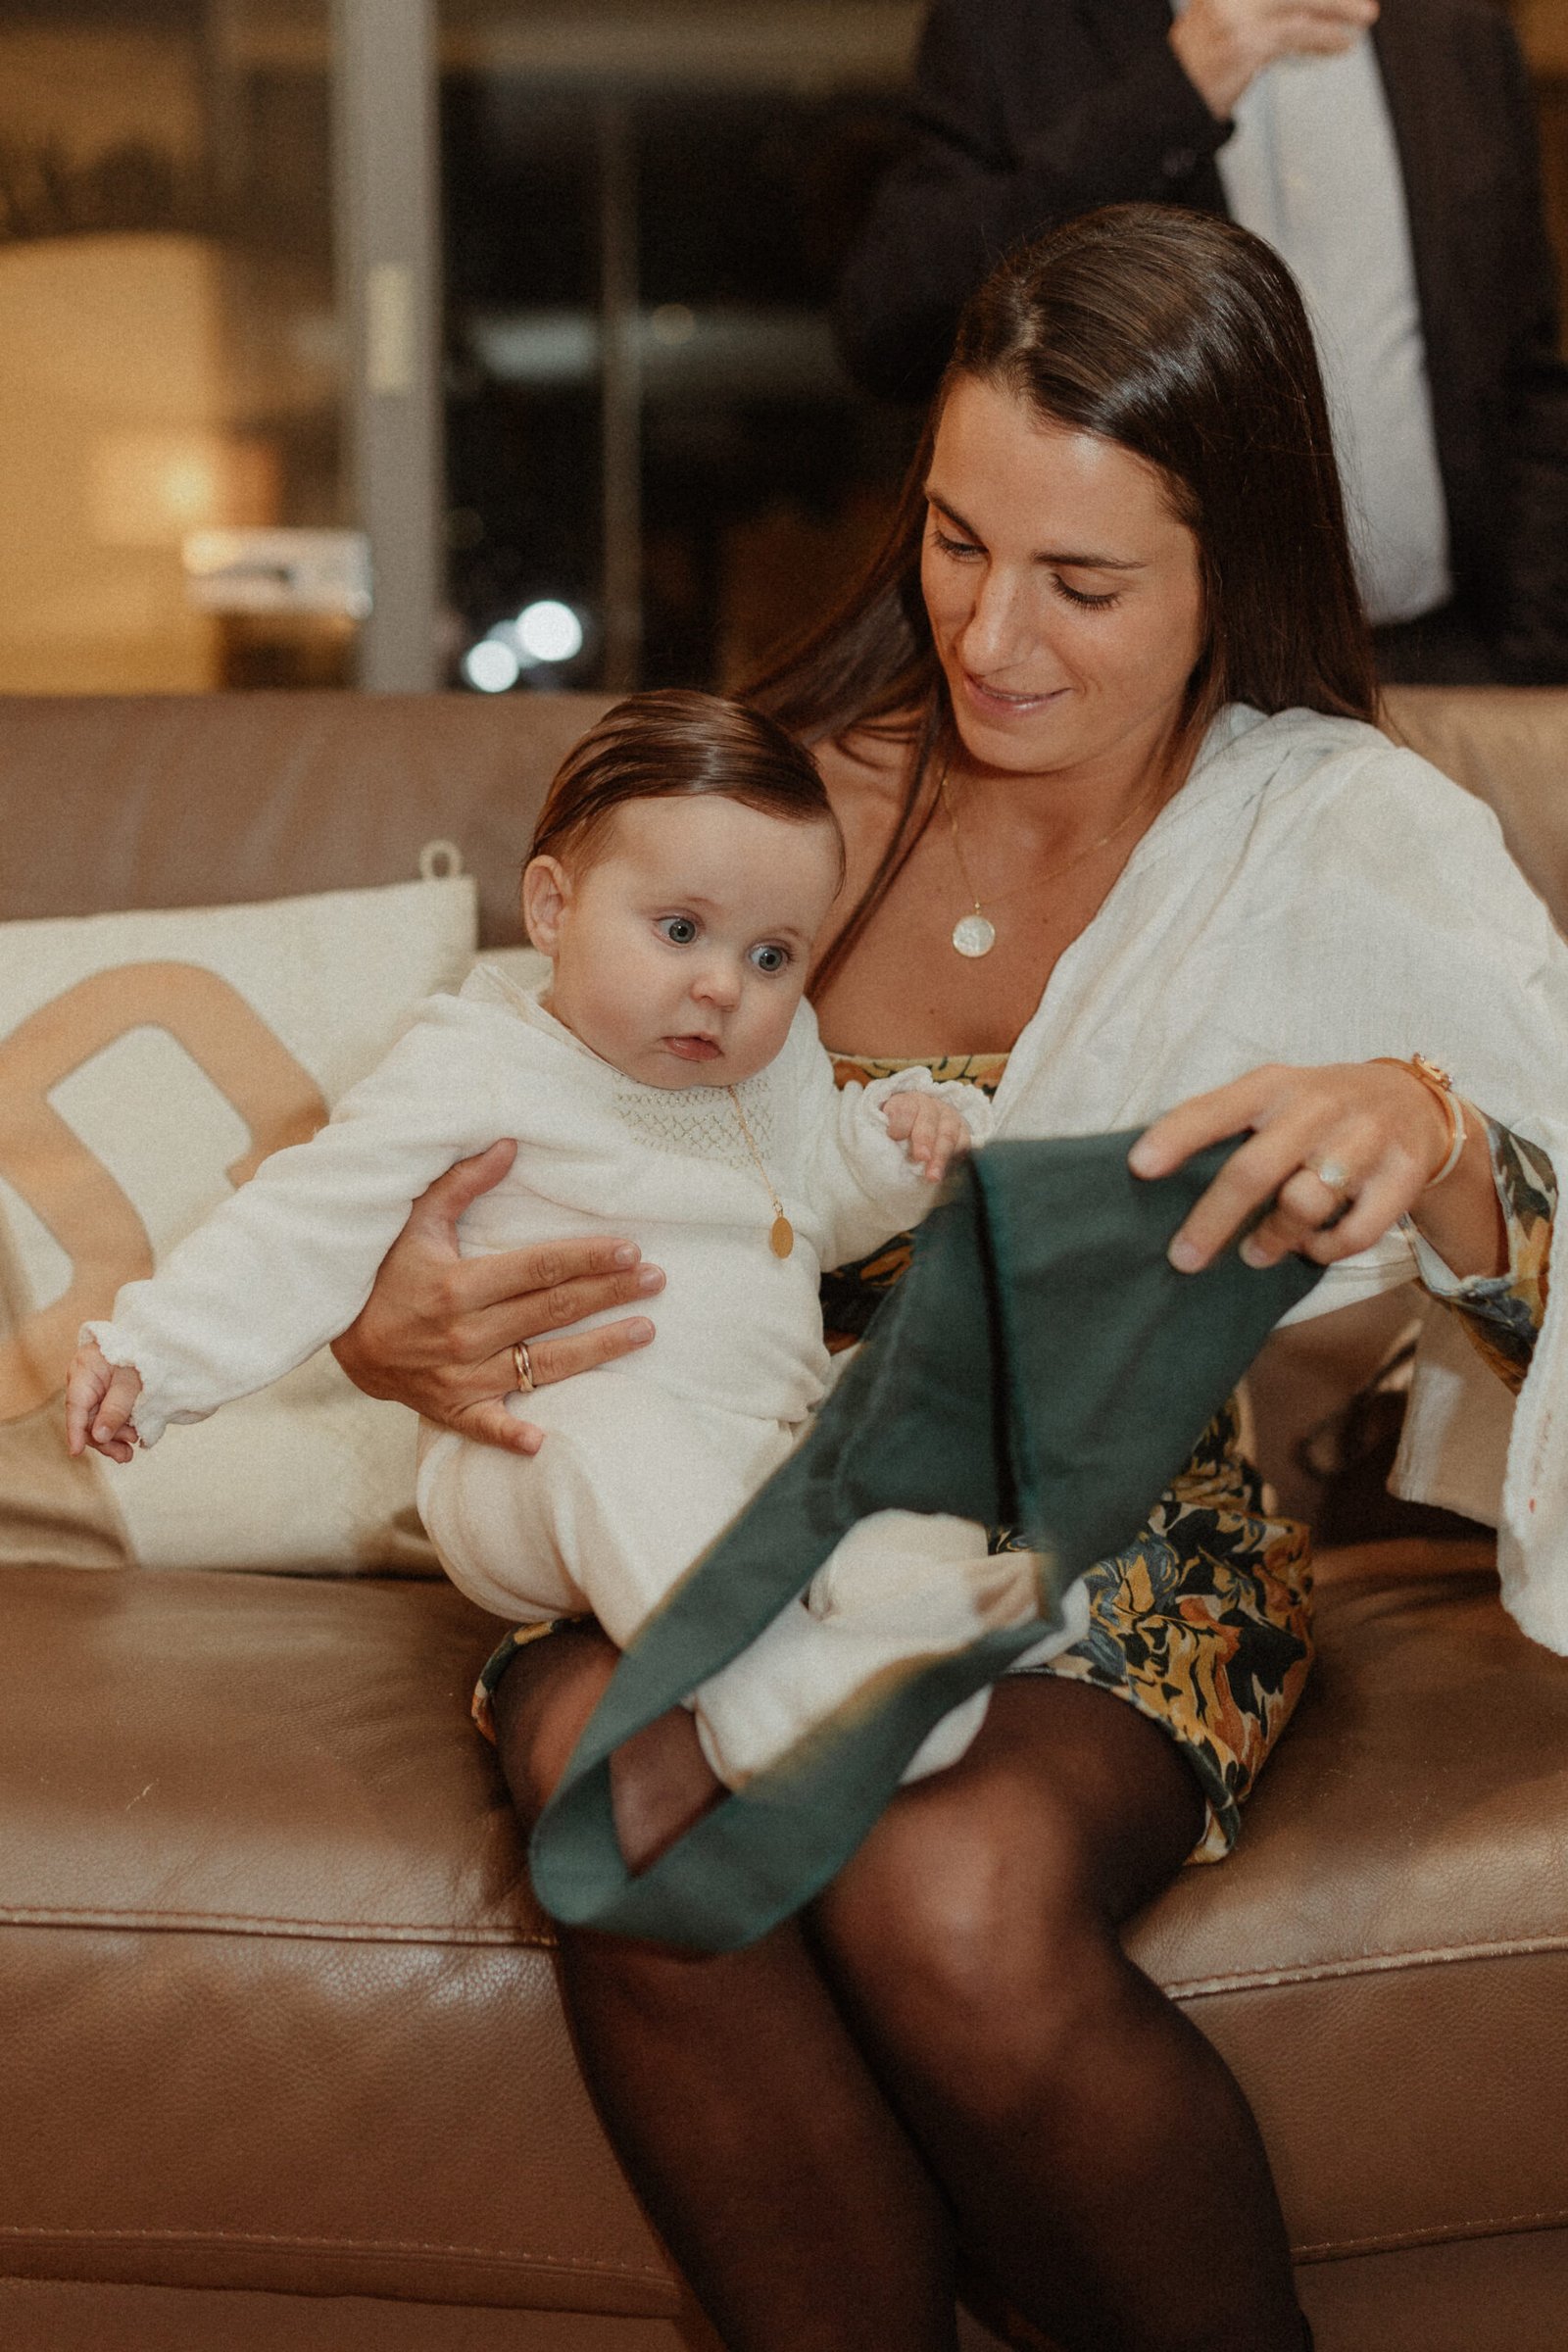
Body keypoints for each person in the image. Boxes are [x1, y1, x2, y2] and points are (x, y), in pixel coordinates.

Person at [333, 207, 1564, 2351]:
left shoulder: (1339, 839)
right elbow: (477, 1158)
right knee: (630, 1788)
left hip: (1095, 1521)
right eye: (955, 540)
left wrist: (1438, 1142)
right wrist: (393, 1327)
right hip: (697, 1478)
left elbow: (1537, 1243)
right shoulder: (759, 812)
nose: (992, 636)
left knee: (950, 1889)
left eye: (1083, 584)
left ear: (1231, 570)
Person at [65, 689, 1033, 1791]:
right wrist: (157, 1354)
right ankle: (767, 1692)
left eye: (773, 956)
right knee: (609, 1432)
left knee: (907, 1409)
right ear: (551, 909)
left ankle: (909, 1639)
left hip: (759, 1448)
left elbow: (815, 1197)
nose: (724, 986)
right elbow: (307, 1217)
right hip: (531, 1465)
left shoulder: (779, 1061)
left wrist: (893, 1150)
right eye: (680, 931)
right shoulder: (476, 1064)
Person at [835, 0, 1568, 685]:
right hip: (1159, 690)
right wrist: (1172, 97)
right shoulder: (1012, 23)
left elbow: (1527, 370)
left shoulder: (1459, 27)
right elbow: (890, 325)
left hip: (1445, 663)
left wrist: (1529, 653)